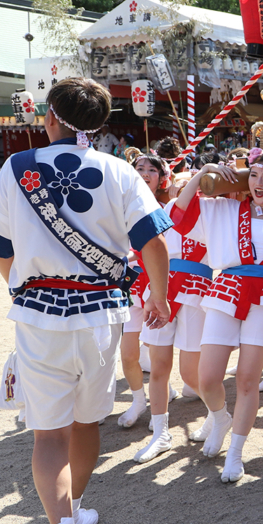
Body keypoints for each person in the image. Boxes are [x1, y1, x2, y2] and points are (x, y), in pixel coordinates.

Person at [0, 77, 172, 524]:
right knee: (88, 422)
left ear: (50, 117)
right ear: (99, 124)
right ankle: (77, 510)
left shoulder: (15, 168)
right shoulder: (120, 171)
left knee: (48, 434)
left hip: (38, 313)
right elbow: (153, 244)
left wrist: (25, 291)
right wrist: (157, 296)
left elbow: (1, 250)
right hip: (100, 313)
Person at [172, 150, 263, 483]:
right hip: (227, 287)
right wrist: (203, 172)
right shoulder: (223, 208)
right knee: (207, 377)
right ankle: (220, 417)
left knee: (247, 379)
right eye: (253, 175)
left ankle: (237, 453)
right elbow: (179, 215)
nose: (258, 183)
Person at [133, 159, 213, 463]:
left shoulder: (213, 214)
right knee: (158, 365)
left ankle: (217, 415)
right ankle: (161, 434)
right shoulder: (164, 212)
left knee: (191, 372)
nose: (185, 190)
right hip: (161, 289)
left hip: (195, 292)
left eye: (189, 185)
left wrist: (204, 175)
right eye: (178, 185)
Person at [117, 155, 177, 430]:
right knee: (128, 353)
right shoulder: (119, 206)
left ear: (162, 178)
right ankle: (138, 400)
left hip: (159, 287)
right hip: (131, 286)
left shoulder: (170, 207)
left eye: (152, 169)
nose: (144, 173)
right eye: (139, 168)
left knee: (157, 352)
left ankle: (163, 396)